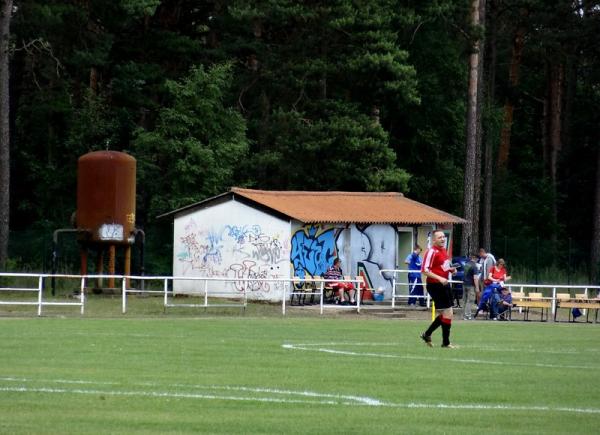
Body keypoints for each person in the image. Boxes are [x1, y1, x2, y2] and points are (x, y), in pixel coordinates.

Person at [419, 230, 457, 348]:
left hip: (444, 284)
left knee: (448, 313)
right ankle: (445, 343)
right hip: (435, 285)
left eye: (443, 237)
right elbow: (425, 270)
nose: (442, 239)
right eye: (440, 237)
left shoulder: (443, 251)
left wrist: (451, 269)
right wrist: (439, 278)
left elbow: (444, 266)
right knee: (447, 313)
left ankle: (428, 334)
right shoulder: (431, 252)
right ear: (434, 240)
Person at [461, 253, 480, 320]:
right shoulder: (474, 266)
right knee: (470, 300)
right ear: (475, 258)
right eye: (477, 259)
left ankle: (463, 315)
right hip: (471, 285)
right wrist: (477, 288)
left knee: (464, 300)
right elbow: (475, 278)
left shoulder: (466, 264)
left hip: (464, 284)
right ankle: (468, 315)